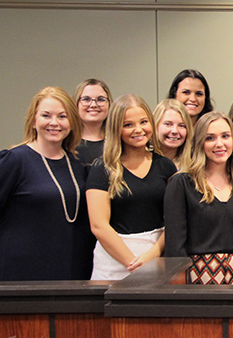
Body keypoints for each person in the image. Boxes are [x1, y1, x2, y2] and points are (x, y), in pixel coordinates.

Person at [0, 87, 95, 281]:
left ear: (71, 123)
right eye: (46, 115)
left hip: (71, 266)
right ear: (34, 120)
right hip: (23, 269)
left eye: (62, 116)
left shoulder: (78, 164)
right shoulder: (13, 160)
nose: (54, 123)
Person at [164, 112, 233, 284]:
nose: (219, 144)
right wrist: (179, 296)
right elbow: (175, 248)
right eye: (210, 138)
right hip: (196, 281)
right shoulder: (182, 184)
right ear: (199, 143)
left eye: (225, 136)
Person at [87, 94, 176, 280]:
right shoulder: (102, 168)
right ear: (116, 129)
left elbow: (175, 220)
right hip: (114, 263)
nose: (138, 129)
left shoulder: (166, 166)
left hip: (156, 258)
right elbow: (98, 226)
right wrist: (133, 263)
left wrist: (151, 256)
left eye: (143, 122)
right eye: (128, 125)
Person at [73, 78, 113, 166]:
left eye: (101, 99)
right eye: (86, 99)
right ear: (76, 103)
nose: (93, 105)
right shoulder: (67, 141)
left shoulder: (117, 142)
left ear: (109, 104)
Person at [153, 99, 193, 171]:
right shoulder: (143, 163)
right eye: (168, 124)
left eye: (181, 125)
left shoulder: (194, 165)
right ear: (155, 126)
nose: (175, 131)